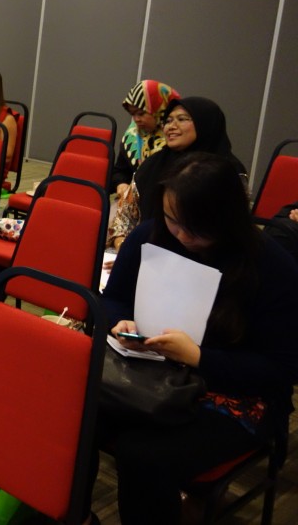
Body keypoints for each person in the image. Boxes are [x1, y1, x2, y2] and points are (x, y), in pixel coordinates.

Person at [97, 153, 298, 525]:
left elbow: (282, 370)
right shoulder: (152, 234)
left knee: (141, 454)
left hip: (238, 394)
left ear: (229, 220)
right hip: (151, 374)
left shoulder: (271, 266)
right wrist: (119, 322)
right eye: (175, 221)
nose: (184, 237)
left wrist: (199, 357)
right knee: (73, 410)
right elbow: (111, 298)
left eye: (198, 229)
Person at [108, 96, 246, 252]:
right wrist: (124, 246)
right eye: (168, 121)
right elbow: (124, 217)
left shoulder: (227, 171)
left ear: (205, 124)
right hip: (144, 252)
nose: (170, 127)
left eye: (181, 119)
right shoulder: (153, 164)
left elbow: (231, 231)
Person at [110, 79, 180, 200]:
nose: (136, 119)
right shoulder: (132, 135)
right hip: (133, 203)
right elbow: (120, 171)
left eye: (141, 113)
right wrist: (121, 184)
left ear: (160, 111)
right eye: (133, 114)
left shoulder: (176, 138)